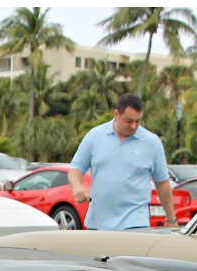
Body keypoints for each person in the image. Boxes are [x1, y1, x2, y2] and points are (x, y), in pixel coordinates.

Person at [67, 93, 179, 231]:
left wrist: (171, 219)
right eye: (129, 121)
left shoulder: (152, 143)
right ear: (116, 114)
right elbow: (75, 168)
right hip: (97, 225)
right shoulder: (94, 136)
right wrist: (77, 186)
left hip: (136, 225)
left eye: (138, 121)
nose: (133, 126)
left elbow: (162, 183)